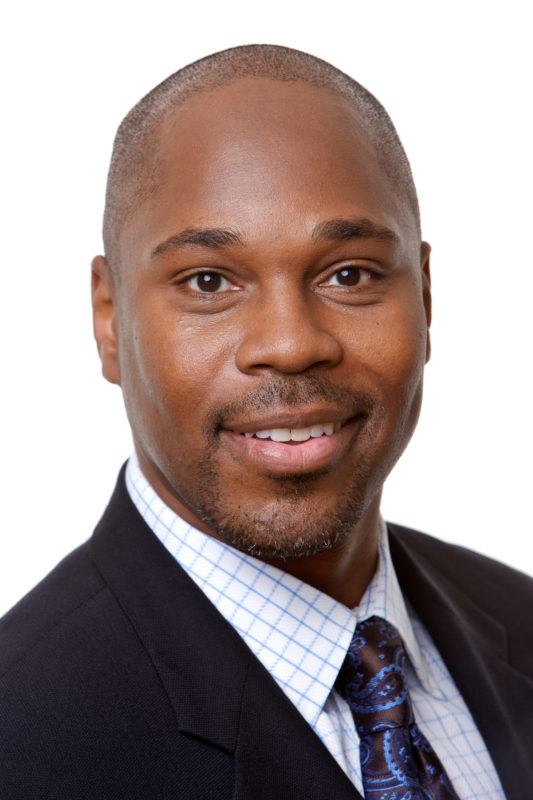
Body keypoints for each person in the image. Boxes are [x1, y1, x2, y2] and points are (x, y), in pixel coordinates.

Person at [0, 44, 531, 800]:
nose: (290, 343)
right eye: (208, 282)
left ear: (425, 296)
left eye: (348, 274)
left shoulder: (517, 617)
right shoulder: (24, 745)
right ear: (109, 319)